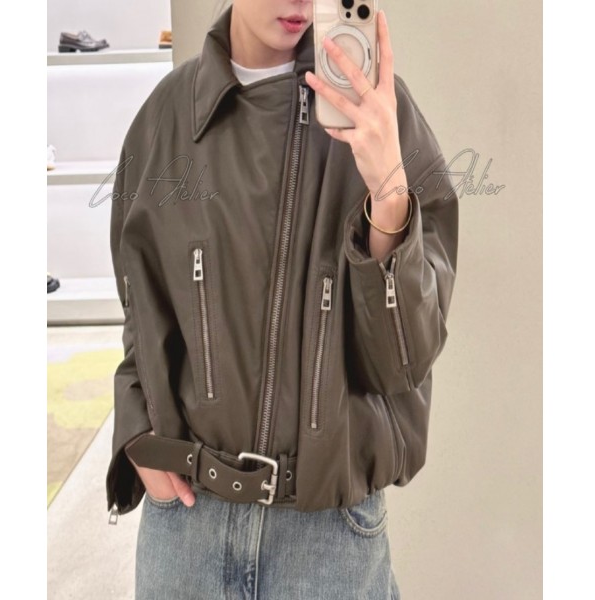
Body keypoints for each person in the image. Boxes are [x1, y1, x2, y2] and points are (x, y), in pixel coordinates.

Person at [106, 1, 458, 598]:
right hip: (187, 532)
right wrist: (137, 430)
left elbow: (404, 362)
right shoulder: (168, 114)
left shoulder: (379, 113)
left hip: (329, 543)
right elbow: (140, 303)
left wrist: (388, 194)